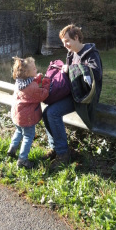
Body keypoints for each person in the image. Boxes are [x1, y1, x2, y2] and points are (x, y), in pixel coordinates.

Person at [42, 24, 103, 169]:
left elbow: (96, 75)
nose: (65, 45)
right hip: (71, 93)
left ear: (76, 37)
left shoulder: (91, 53)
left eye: (67, 41)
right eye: (63, 42)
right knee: (45, 112)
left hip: (83, 97)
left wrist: (71, 69)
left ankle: (63, 154)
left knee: (52, 113)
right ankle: (56, 148)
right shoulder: (70, 54)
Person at [7, 56, 50, 169]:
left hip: (17, 115)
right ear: (27, 73)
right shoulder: (32, 86)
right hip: (27, 118)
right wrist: (46, 82)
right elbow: (43, 94)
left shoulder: (19, 82)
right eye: (34, 69)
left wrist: (36, 77)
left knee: (19, 131)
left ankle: (12, 149)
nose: (36, 69)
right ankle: (22, 160)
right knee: (28, 136)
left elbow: (30, 86)